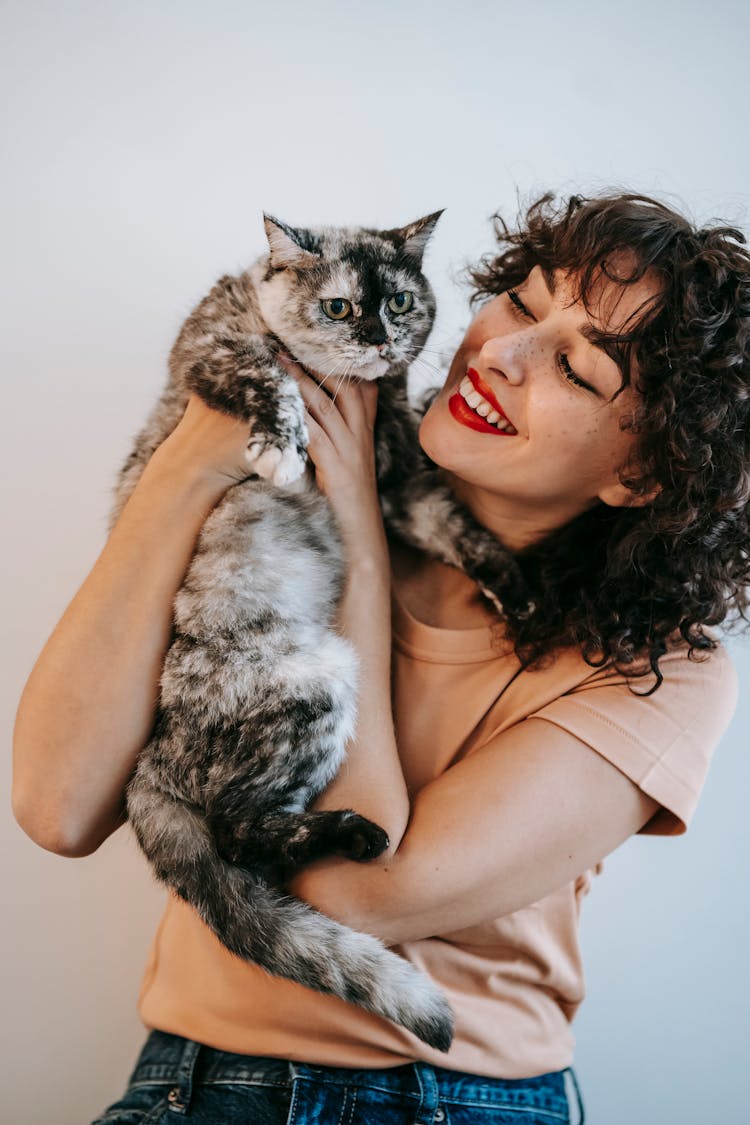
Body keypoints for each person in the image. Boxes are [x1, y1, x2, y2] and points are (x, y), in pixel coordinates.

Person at [12, 191, 750, 1124]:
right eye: (521, 302)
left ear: (642, 469)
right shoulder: (265, 499)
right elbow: (58, 803)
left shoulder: (660, 673)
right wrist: (190, 460)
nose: (499, 353)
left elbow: (357, 892)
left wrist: (356, 513)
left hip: (459, 1102)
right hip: (190, 1087)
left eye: (573, 364)